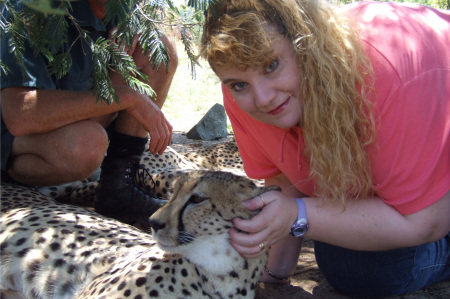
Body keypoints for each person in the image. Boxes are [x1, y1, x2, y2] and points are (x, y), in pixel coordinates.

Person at [200, 0, 450, 297]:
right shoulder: (245, 95)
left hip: (426, 100)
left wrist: (298, 215)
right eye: (239, 85)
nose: (263, 98)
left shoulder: (386, 73)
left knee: (362, 267)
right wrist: (273, 272)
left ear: (305, 43)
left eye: (271, 65)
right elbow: (283, 178)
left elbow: (425, 222)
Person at [1, 0, 178, 227]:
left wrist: (126, 39)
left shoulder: (122, 8)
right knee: (86, 144)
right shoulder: (30, 8)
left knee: (157, 48)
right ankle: (12, 178)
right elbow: (20, 115)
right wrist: (127, 97)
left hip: (76, 122)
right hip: (15, 138)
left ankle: (119, 189)